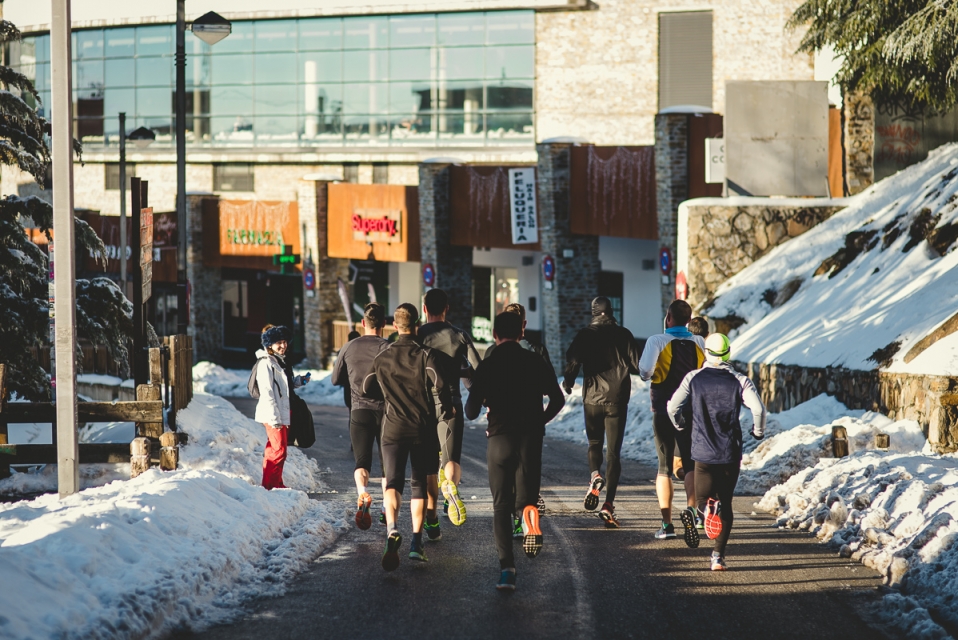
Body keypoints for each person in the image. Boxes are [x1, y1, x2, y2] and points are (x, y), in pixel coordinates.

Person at [467, 312, 564, 591]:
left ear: (495, 335)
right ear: (521, 334)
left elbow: (471, 411)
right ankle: (528, 515)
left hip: (499, 438)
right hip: (530, 438)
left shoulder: (489, 363)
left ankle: (507, 570)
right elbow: (558, 398)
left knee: (500, 505)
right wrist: (539, 421)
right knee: (525, 499)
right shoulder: (534, 360)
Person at [364, 303, 454, 571]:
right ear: (417, 324)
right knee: (418, 484)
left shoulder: (382, 356)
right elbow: (441, 386)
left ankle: (392, 530)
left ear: (394, 326)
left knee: (392, 481)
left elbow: (367, 387)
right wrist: (447, 408)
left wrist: (388, 394)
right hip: (421, 428)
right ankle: (416, 542)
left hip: (392, 429)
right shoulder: (427, 355)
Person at [667, 333, 766, 569]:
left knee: (702, 500)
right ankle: (718, 557)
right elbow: (759, 410)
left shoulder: (693, 377)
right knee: (727, 503)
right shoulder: (740, 380)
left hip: (702, 452)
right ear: (728, 352)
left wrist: (680, 424)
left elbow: (672, 407)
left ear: (706, 352)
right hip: (729, 452)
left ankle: (707, 509)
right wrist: (758, 432)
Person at [563, 296, 641, 528]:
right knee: (614, 453)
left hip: (592, 399)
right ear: (611, 311)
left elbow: (573, 361)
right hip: (617, 399)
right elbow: (638, 365)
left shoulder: (585, 334)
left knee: (594, 443)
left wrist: (568, 382)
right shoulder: (624, 334)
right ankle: (608, 505)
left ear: (594, 312)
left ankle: (595, 475)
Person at [638, 300, 705, 540]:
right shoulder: (699, 342)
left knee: (664, 466)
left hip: (664, 406)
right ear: (688, 320)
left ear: (668, 318)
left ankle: (666, 525)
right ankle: (693, 513)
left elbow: (645, 372)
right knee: (689, 463)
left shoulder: (657, 340)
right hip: (690, 408)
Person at [418, 288, 482, 527]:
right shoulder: (459, 335)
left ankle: (431, 518)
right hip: (451, 404)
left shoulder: (416, 335)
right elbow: (478, 368)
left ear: (425, 309)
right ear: (447, 309)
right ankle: (451, 486)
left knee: (428, 466)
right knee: (450, 458)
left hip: (422, 405)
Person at [483, 302, 552, 519]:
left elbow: (484, 390)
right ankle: (526, 509)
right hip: (530, 419)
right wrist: (541, 418)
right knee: (526, 468)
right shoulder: (537, 350)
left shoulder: (492, 351)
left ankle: (513, 515)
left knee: (505, 471)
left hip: (501, 421)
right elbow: (550, 387)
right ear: (523, 324)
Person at [332, 303, 389, 531]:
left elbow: (336, 379)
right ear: (383, 324)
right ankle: (386, 507)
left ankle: (363, 493)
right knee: (388, 464)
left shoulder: (349, 347)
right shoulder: (388, 347)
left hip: (359, 410)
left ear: (363, 323)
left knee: (362, 461)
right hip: (386, 412)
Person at [254, 325, 308, 490]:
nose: (283, 346)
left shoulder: (279, 361)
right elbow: (267, 392)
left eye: (284, 342)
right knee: (279, 451)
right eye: (278, 342)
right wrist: (274, 418)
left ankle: (273, 483)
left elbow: (284, 387)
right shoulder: (266, 364)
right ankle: (271, 486)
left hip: (281, 411)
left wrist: (299, 381)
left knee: (274, 449)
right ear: (269, 344)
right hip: (273, 414)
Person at [673, 318, 709, 479]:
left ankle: (682, 466)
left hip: (683, 400)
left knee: (681, 436)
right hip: (703, 402)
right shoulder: (709, 351)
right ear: (707, 334)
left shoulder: (680, 347)